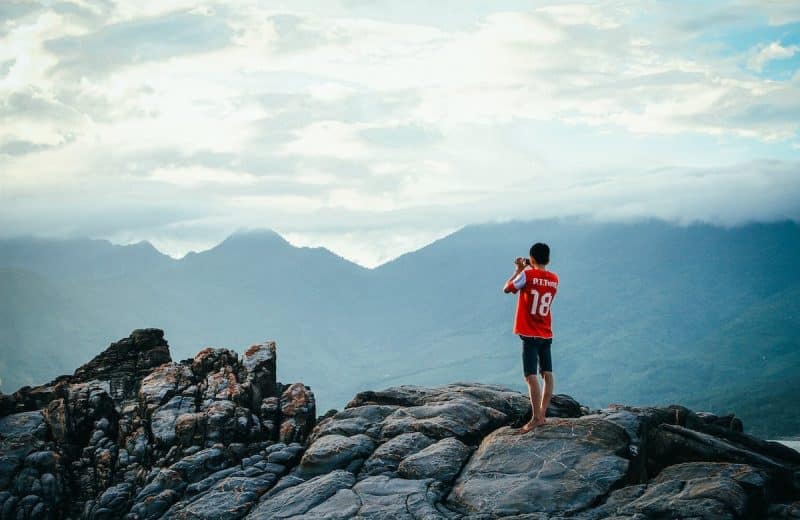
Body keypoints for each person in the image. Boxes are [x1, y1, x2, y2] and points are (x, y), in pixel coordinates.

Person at [503, 242, 559, 433]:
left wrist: (519, 269)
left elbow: (507, 288)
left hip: (529, 333)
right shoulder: (554, 279)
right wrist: (531, 267)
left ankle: (536, 418)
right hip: (546, 332)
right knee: (547, 374)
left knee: (530, 376)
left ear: (532, 259)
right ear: (548, 259)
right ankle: (543, 413)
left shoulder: (527, 275)